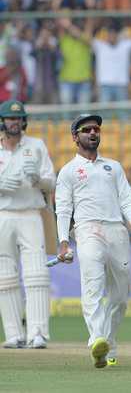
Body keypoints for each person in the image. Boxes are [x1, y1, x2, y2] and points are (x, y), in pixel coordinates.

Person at [55, 114, 131, 368]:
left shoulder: (114, 167)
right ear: (75, 137)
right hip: (87, 230)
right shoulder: (68, 171)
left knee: (120, 297)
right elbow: (63, 209)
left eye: (96, 129)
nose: (93, 133)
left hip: (116, 230)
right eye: (86, 130)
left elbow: (127, 201)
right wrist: (63, 240)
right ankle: (97, 339)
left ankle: (108, 344)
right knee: (93, 287)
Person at [0, 100, 55, 349]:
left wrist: (37, 179)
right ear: (2, 122)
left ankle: (38, 333)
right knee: (5, 277)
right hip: (3, 215)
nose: (14, 122)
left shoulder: (36, 145)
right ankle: (14, 334)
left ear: (24, 121)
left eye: (18, 118)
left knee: (37, 274)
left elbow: (52, 184)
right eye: (10, 119)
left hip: (31, 213)